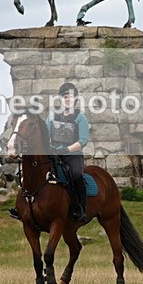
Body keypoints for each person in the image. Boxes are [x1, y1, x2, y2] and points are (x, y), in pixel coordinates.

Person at [49, 82, 90, 222]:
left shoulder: (80, 118)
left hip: (73, 155)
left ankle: (81, 208)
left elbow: (83, 141)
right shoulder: (52, 116)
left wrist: (66, 149)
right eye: (65, 96)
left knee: (76, 174)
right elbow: (45, 135)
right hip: (54, 154)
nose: (68, 99)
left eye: (71, 97)